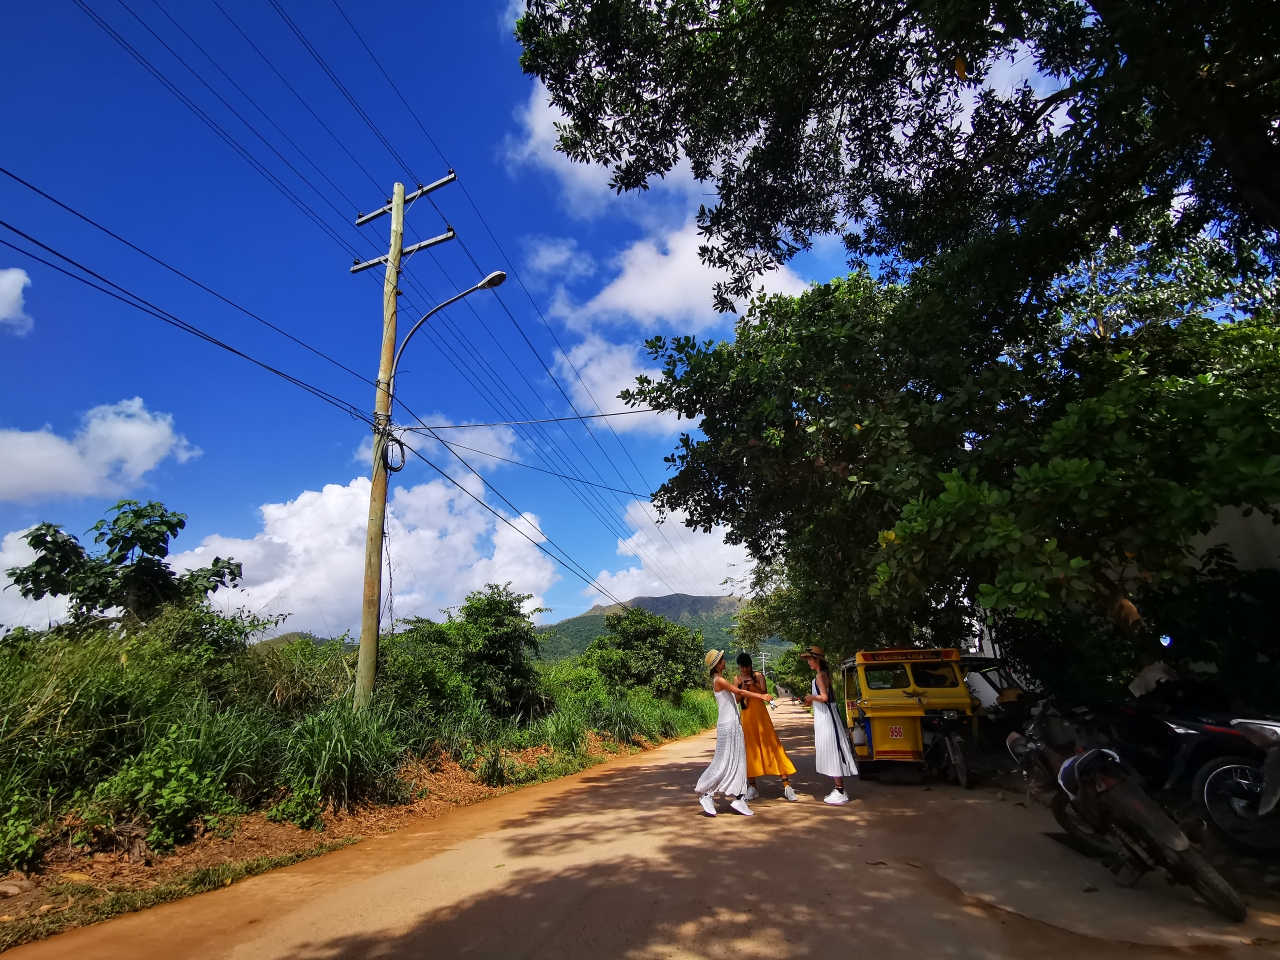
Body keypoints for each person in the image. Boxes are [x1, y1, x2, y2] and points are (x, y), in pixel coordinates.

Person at [695, 649, 774, 816]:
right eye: (723, 660)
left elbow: (735, 699)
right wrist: (761, 696)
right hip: (728, 726)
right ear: (717, 664)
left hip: (733, 724)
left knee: (738, 761)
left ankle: (739, 798)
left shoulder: (720, 680)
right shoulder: (719, 680)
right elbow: (739, 693)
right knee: (723, 761)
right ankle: (707, 793)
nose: (725, 662)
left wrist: (745, 688)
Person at [734, 652, 798, 802]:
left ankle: (787, 785)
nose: (744, 670)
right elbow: (736, 699)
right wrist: (742, 689)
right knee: (749, 749)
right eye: (742, 667)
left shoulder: (758, 675)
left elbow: (765, 693)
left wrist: (754, 685)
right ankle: (752, 787)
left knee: (773, 745)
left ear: (751, 665)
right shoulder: (736, 679)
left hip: (761, 715)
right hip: (747, 716)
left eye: (747, 666)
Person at [802, 646, 857, 804]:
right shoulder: (824, 675)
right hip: (827, 716)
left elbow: (825, 697)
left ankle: (840, 790)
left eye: (810, 659)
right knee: (833, 749)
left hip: (827, 718)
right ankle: (839, 788)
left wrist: (811, 697)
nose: (808, 663)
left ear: (817, 660)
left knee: (833, 749)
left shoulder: (820, 676)